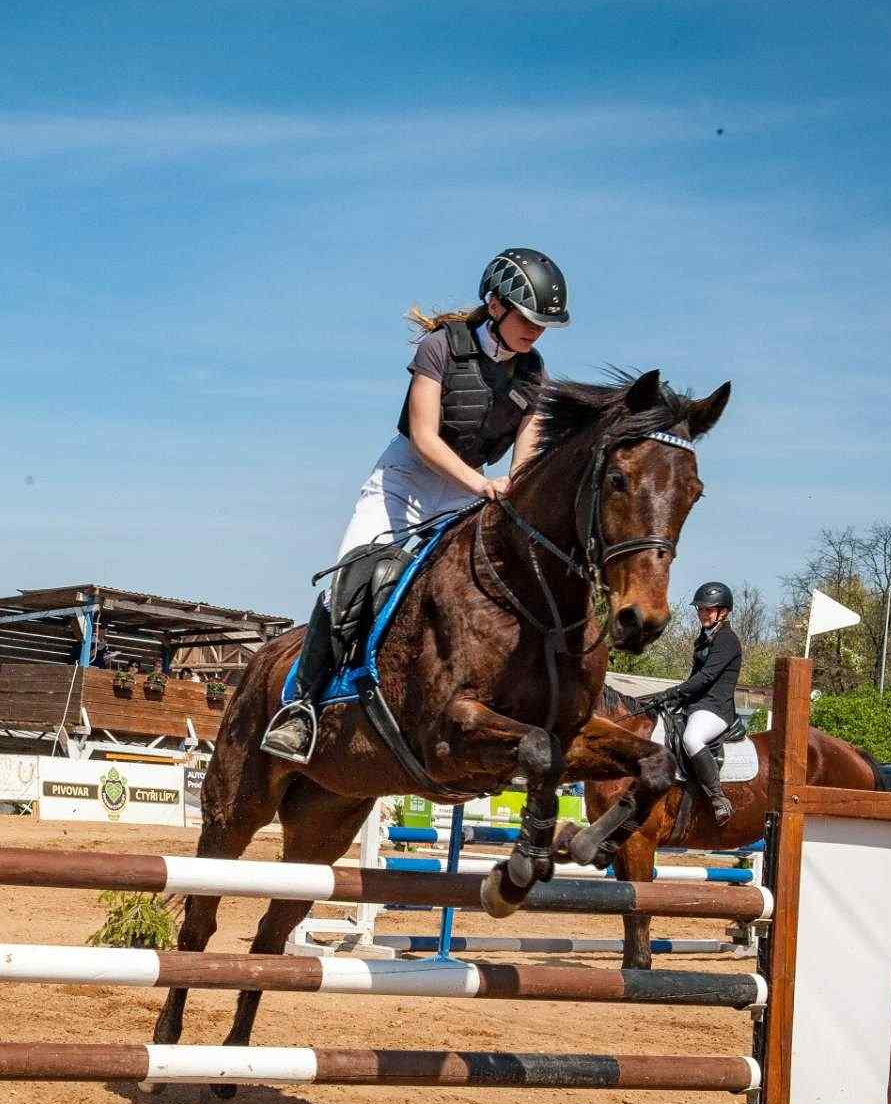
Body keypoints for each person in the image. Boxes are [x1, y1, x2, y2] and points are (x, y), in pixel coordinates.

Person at [261, 247, 569, 763]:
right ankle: (301, 707)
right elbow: (425, 437)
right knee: (349, 583)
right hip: (406, 480)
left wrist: (515, 487)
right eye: (530, 318)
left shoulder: (535, 372)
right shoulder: (439, 348)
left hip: (470, 490)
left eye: (545, 324)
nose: (537, 331)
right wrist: (483, 484)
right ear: (495, 305)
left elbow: (526, 454)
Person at [637, 582, 743, 825]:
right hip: (697, 705)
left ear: (723, 612)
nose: (702, 614)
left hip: (716, 708)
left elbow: (706, 678)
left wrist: (671, 693)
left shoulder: (727, 639)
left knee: (691, 738)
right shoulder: (705, 638)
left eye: (708, 610)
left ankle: (717, 798)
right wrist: (669, 699)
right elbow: (695, 678)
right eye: (700, 610)